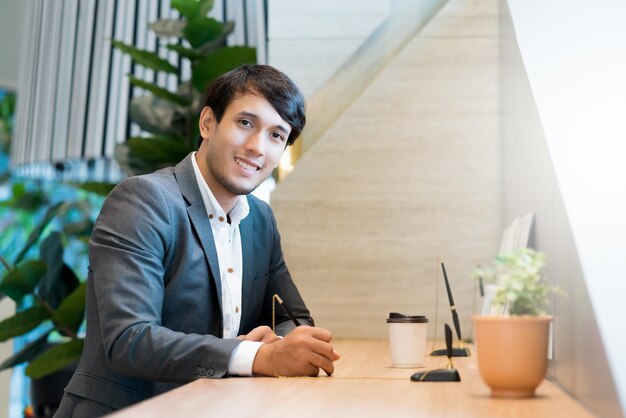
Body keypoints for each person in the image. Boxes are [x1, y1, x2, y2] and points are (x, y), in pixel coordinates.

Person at [55, 64, 340, 417]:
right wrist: (258, 356)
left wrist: (282, 345)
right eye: (245, 123)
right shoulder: (143, 201)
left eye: (276, 135)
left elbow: (293, 318)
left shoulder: (260, 219)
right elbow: (129, 340)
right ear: (208, 123)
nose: (256, 147)